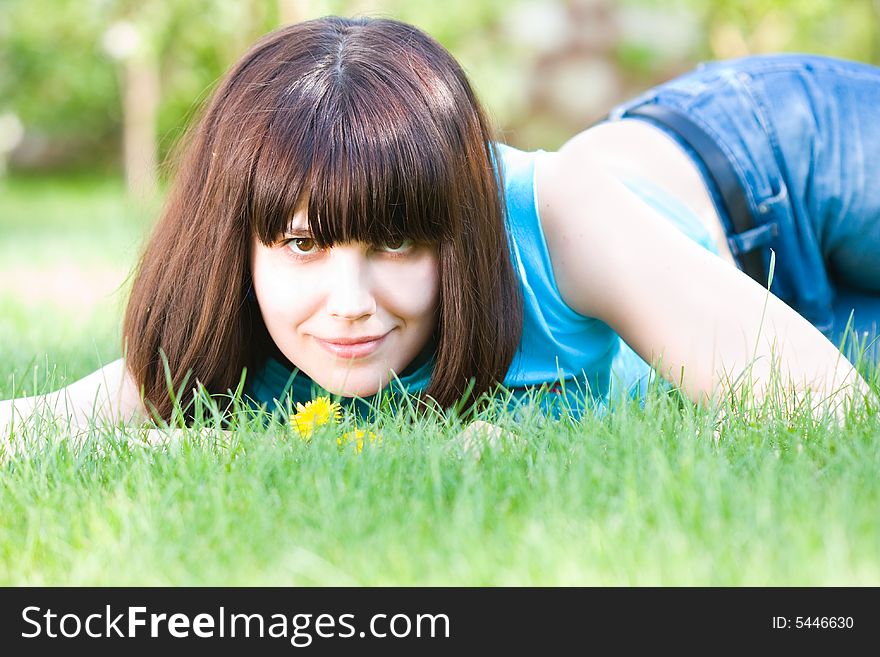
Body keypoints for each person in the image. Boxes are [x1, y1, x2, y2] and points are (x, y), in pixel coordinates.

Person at [2, 15, 878, 439]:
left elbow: (826, 410)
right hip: (768, 307)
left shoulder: (567, 214)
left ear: (455, 226)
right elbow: (43, 422)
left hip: (778, 161)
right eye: (304, 244)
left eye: (396, 242)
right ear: (238, 243)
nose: (348, 303)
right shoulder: (235, 337)